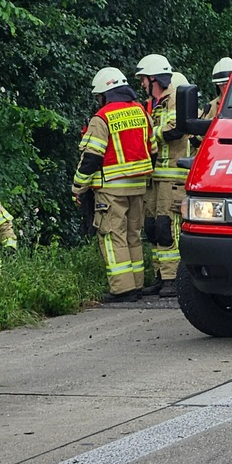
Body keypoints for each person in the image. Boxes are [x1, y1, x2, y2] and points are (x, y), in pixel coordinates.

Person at [73, 67, 156, 302]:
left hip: (111, 188)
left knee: (112, 236)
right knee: (133, 235)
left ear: (105, 94)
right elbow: (153, 149)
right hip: (139, 186)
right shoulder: (141, 111)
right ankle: (137, 285)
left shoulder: (102, 117)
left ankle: (122, 289)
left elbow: (91, 158)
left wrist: (78, 188)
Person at [141, 69, 192, 297]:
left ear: (155, 80)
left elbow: (175, 131)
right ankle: (161, 275)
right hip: (154, 176)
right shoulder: (152, 105)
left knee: (166, 227)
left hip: (172, 177)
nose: (142, 84)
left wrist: (148, 135)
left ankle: (172, 278)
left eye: (144, 79)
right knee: (152, 228)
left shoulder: (175, 103)